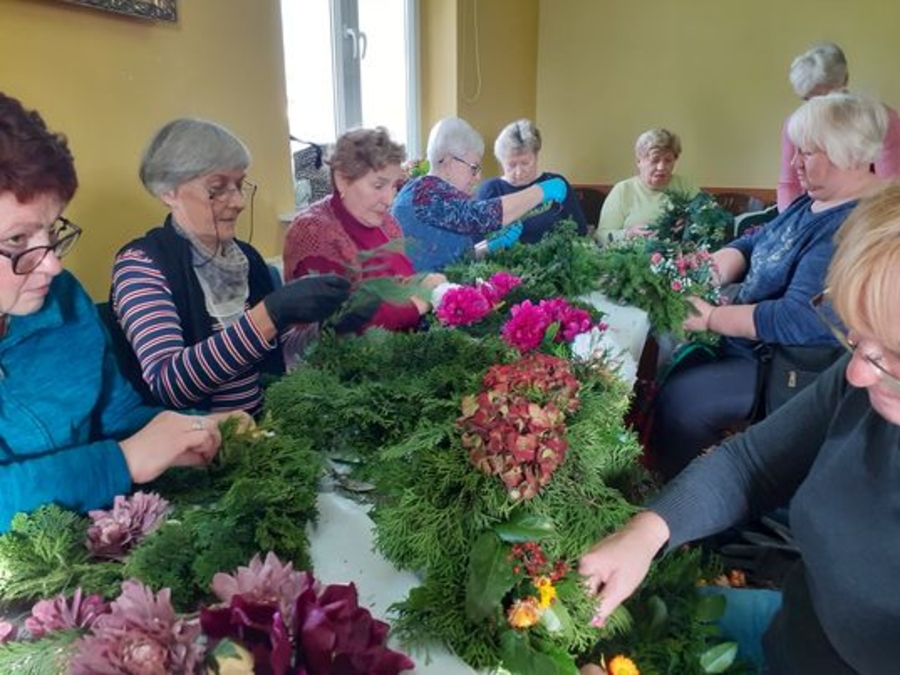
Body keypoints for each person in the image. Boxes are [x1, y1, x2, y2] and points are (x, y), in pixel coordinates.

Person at [580, 181, 900, 674]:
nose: (857, 371)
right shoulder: (859, 378)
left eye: (891, 357)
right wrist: (645, 533)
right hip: (793, 627)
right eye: (854, 334)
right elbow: (752, 464)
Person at [0, 92, 231, 532]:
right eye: (16, 242)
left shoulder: (62, 298)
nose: (52, 264)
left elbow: (117, 416)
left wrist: (190, 430)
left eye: (51, 231)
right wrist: (122, 461)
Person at [651, 91, 888, 480]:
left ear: (847, 154)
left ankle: (701, 518)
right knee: (672, 366)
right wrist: (719, 265)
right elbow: (757, 240)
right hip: (752, 346)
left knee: (684, 402)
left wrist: (711, 317)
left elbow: (798, 318)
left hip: (791, 366)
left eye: (807, 153)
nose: (793, 163)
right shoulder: (815, 200)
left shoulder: (853, 226)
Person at [111, 119, 350, 416]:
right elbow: (169, 384)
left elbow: (283, 355)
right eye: (217, 188)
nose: (237, 202)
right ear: (169, 191)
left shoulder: (246, 259)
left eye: (239, 185)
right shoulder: (142, 266)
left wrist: (327, 326)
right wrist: (269, 315)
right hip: (204, 448)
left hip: (268, 433)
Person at [283, 127, 446, 333]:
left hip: (399, 346)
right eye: (378, 186)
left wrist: (422, 281)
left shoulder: (387, 223)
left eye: (394, 186)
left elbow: (399, 284)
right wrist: (420, 299)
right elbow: (341, 322)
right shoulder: (313, 231)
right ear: (342, 179)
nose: (389, 200)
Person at [391, 116, 568, 271]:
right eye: (474, 167)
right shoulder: (425, 193)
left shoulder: (432, 193)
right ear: (449, 162)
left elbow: (455, 260)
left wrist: (490, 246)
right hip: (416, 302)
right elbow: (479, 215)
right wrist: (541, 190)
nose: (478, 176)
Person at [777, 41, 900, 211]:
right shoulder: (797, 124)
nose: (817, 107)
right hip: (813, 212)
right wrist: (788, 226)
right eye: (808, 100)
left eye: (825, 97)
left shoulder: (881, 119)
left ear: (845, 80)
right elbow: (789, 185)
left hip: (862, 215)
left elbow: (890, 187)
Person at [475, 119, 587, 242]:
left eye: (525, 163)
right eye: (511, 165)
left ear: (536, 156)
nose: (519, 171)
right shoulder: (490, 190)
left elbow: (580, 230)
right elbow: (476, 240)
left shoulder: (555, 184)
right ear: (501, 162)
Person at [595, 128, 698, 244]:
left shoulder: (686, 186)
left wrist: (689, 224)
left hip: (679, 256)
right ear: (639, 161)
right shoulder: (623, 190)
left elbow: (707, 224)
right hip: (634, 257)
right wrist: (628, 234)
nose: (661, 167)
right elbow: (601, 236)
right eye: (655, 160)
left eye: (668, 160)